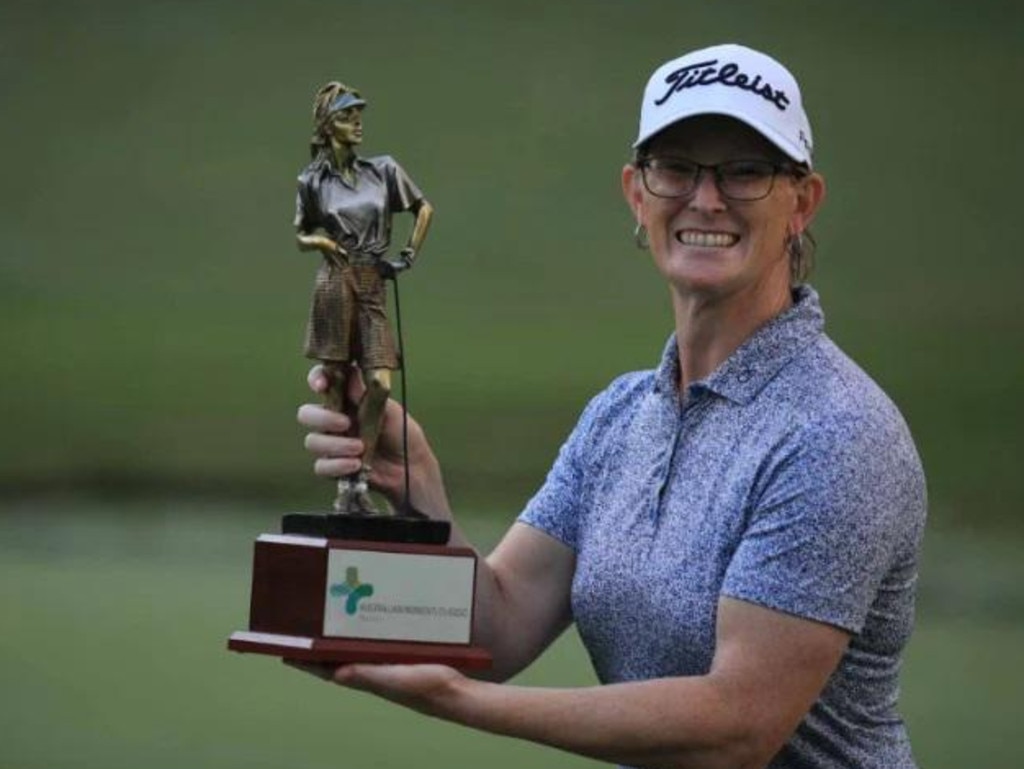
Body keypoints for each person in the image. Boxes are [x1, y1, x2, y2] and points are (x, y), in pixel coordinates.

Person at [295, 44, 926, 769]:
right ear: (636, 192)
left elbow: (736, 725)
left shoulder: (836, 433)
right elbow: (498, 628)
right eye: (677, 168)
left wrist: (457, 701)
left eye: (745, 171)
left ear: (802, 202)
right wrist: (423, 499)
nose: (706, 198)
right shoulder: (622, 416)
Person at [294, 80, 433, 513]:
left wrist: (407, 255)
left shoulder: (383, 170)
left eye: (358, 115)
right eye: (346, 115)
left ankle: (364, 468)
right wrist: (322, 244)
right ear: (325, 125)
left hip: (373, 279)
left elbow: (424, 209)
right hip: (336, 281)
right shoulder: (312, 180)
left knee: (378, 382)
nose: (356, 123)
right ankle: (348, 491)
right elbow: (300, 232)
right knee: (334, 377)